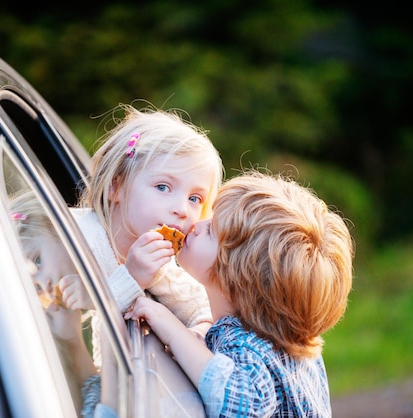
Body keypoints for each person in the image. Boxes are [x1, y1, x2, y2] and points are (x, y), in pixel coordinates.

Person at [126, 170, 355, 417]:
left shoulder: (246, 346)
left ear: (237, 276)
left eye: (212, 230)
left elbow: (239, 407)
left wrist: (172, 330)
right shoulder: (284, 340)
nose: (197, 225)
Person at [64, 103, 224, 363]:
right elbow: (76, 316)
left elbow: (202, 308)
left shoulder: (159, 264)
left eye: (195, 198)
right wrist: (132, 278)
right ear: (116, 187)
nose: (182, 209)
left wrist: (194, 334)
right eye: (163, 187)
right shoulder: (72, 235)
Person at [8, 190, 100, 416]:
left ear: (55, 227)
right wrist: (72, 340)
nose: (45, 285)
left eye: (37, 260)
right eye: (34, 288)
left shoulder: (119, 255)